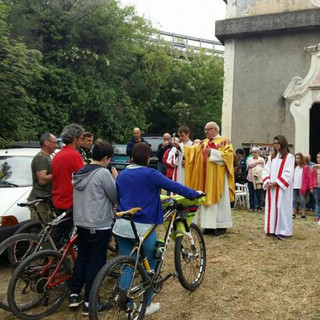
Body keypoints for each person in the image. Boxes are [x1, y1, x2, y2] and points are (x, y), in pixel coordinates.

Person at [112, 142, 202, 316]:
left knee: (128, 265)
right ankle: (146, 304)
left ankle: (125, 300)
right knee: (152, 263)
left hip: (122, 225)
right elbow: (174, 187)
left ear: (131, 157)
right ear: (148, 158)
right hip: (143, 226)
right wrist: (194, 193)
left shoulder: (122, 175)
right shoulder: (150, 173)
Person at [68, 140, 118, 315]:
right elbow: (114, 195)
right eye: (109, 159)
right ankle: (90, 301)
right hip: (99, 223)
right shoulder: (103, 174)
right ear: (105, 158)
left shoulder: (79, 172)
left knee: (82, 258)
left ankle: (74, 294)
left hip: (81, 222)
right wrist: (115, 178)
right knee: (96, 262)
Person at [183, 122, 234, 236]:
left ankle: (221, 225)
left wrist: (213, 152)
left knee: (221, 201)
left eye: (208, 129)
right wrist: (181, 147)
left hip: (219, 177)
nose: (205, 132)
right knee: (206, 199)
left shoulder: (225, 141)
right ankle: (209, 226)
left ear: (215, 129)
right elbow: (192, 151)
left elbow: (229, 156)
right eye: (205, 130)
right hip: (206, 177)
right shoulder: (204, 142)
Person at [52, 123, 84, 243]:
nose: (81, 142)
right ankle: (53, 258)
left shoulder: (57, 155)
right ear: (75, 138)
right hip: (70, 201)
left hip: (58, 198)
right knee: (62, 236)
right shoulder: (74, 155)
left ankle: (52, 255)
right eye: (81, 139)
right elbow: (84, 178)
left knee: (60, 232)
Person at [262, 135, 294, 240]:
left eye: (278, 143)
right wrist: (268, 181)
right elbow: (266, 170)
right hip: (272, 189)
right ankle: (271, 229)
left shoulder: (289, 157)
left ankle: (283, 231)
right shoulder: (271, 157)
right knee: (272, 209)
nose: (276, 145)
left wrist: (277, 182)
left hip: (282, 190)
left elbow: (289, 173)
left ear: (283, 143)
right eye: (274, 143)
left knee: (282, 209)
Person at [27, 133, 57, 223]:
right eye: (54, 143)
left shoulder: (50, 157)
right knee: (38, 230)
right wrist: (58, 173)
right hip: (40, 200)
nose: (56, 145)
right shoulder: (40, 158)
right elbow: (42, 180)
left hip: (47, 199)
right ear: (47, 142)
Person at [247, 147, 265, 212]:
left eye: (255, 152)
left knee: (259, 193)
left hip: (258, 179)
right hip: (250, 178)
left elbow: (264, 168)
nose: (254, 153)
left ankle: (259, 207)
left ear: (258, 153)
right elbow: (249, 165)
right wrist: (257, 162)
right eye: (253, 152)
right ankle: (252, 207)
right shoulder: (249, 159)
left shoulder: (262, 159)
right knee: (251, 193)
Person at [292, 153, 309, 219]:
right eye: (296, 158)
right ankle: (293, 213)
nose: (297, 160)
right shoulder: (294, 167)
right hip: (294, 186)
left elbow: (307, 178)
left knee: (302, 200)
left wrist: (305, 186)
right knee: (294, 200)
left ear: (301, 159)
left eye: (298, 158)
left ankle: (303, 214)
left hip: (301, 186)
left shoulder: (305, 167)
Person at [309, 152, 320, 221]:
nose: (319, 159)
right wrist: (311, 187)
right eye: (318, 157)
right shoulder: (314, 168)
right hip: (316, 187)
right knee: (317, 201)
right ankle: (317, 215)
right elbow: (311, 178)